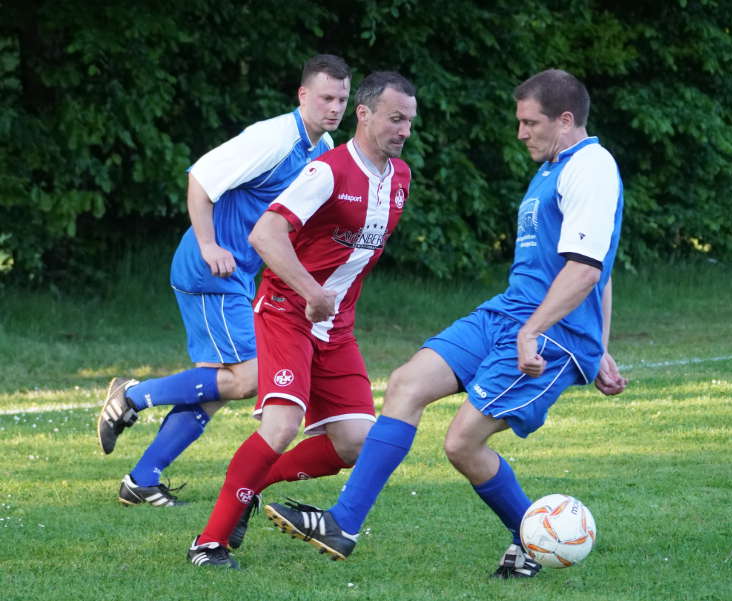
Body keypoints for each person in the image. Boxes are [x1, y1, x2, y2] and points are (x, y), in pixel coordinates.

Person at [264, 68, 628, 579]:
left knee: (462, 443)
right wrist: (602, 342)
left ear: (565, 120)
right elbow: (597, 262)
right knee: (408, 384)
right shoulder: (554, 166)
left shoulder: (590, 166)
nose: (521, 133)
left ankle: (535, 539)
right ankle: (342, 525)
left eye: (529, 123)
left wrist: (579, 342)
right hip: (510, 312)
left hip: (551, 334)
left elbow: (588, 268)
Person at [96, 55, 352, 514]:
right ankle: (132, 396)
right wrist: (209, 243)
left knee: (217, 389)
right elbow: (201, 177)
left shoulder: (323, 146)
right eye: (326, 97)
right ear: (303, 96)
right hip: (210, 269)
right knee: (249, 377)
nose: (334, 107)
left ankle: (141, 480)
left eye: (342, 99)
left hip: (238, 275)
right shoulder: (273, 137)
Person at [186, 71, 418, 569]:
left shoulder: (400, 178)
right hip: (287, 311)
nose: (404, 130)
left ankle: (253, 489)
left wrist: (329, 301)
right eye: (395, 118)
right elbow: (265, 235)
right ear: (365, 113)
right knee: (282, 424)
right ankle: (209, 543)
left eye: (410, 122)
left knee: (356, 442)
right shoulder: (328, 171)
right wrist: (312, 291)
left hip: (335, 327)